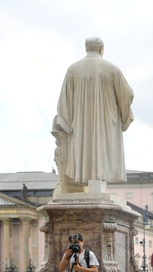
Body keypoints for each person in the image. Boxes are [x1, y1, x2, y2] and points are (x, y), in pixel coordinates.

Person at [52, 37, 133, 191]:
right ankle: (100, 178)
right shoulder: (112, 69)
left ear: (86, 48)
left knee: (85, 146)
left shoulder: (73, 69)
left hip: (81, 125)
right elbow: (127, 94)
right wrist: (123, 117)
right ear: (102, 49)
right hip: (105, 123)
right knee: (102, 148)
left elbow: (64, 102)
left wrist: (68, 122)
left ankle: (83, 176)